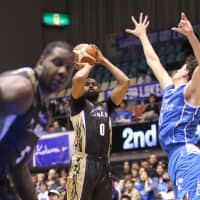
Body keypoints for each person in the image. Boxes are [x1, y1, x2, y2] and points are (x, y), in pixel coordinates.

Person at [126, 12, 200, 200]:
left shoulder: (190, 92)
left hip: (186, 154)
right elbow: (153, 61)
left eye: (183, 67)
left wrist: (191, 35)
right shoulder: (169, 89)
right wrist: (142, 35)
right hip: (174, 157)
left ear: (186, 74)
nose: (178, 68)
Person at [0, 40, 75, 200]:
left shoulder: (43, 109)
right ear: (41, 61)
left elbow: (19, 168)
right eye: (57, 63)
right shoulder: (23, 88)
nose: (63, 71)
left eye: (69, 68)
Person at [67, 45, 130, 200]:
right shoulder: (78, 104)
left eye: (94, 84)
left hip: (104, 164)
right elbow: (78, 79)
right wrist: (88, 63)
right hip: (83, 163)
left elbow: (125, 82)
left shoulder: (106, 106)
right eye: (88, 84)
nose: (91, 85)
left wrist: (103, 61)